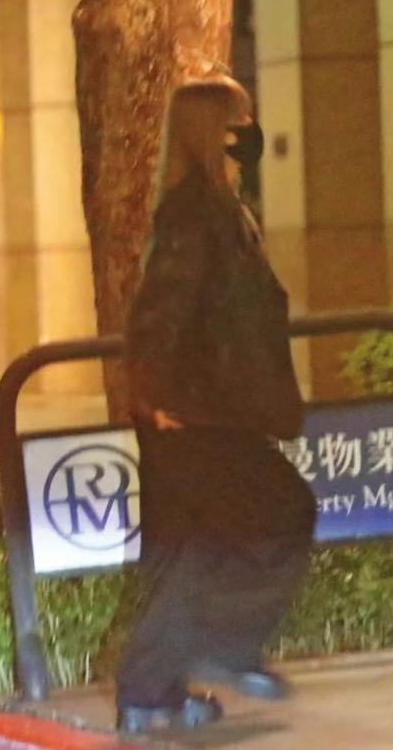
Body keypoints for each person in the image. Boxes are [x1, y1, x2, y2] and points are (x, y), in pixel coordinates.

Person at [117, 75, 315, 733]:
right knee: (282, 510)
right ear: (213, 134)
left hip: (207, 409)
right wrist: (156, 395)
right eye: (240, 123)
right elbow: (159, 310)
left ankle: (150, 695)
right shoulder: (195, 215)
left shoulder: (221, 210)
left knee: (193, 550)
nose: (251, 135)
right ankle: (222, 646)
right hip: (194, 414)